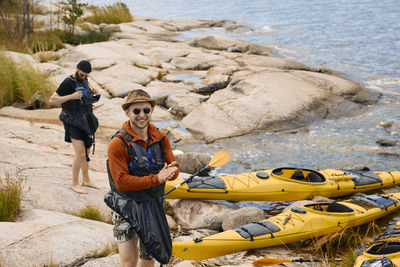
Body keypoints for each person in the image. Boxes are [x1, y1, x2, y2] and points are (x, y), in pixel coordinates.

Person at [105, 89, 179, 267]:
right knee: (129, 261)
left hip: (152, 205)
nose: (142, 115)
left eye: (146, 110)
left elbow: (174, 167)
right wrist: (157, 178)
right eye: (136, 111)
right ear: (127, 112)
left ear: (152, 111)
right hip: (125, 206)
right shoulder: (118, 143)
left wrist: (172, 171)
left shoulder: (161, 138)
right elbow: (121, 182)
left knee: (148, 258)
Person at [49, 60, 100, 194]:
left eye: (86, 76)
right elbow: (52, 100)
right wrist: (71, 96)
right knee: (80, 153)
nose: (84, 77)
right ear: (76, 68)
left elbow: (84, 98)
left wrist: (92, 93)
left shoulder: (84, 81)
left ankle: (86, 180)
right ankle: (74, 184)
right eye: (82, 74)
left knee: (87, 152)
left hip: (85, 120)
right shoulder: (68, 82)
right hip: (72, 121)